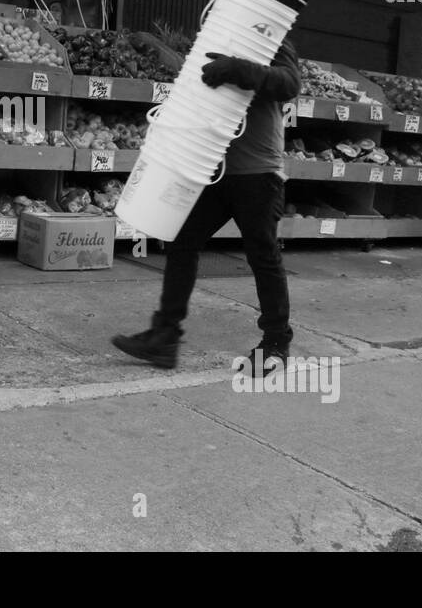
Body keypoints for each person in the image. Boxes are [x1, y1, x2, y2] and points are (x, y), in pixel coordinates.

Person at [112, 39, 301, 372]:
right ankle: (164, 337)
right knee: (181, 240)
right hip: (214, 171)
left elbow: (288, 84)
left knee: (263, 254)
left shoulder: (271, 36)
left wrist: (239, 68)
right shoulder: (218, 36)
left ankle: (276, 343)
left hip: (259, 172)